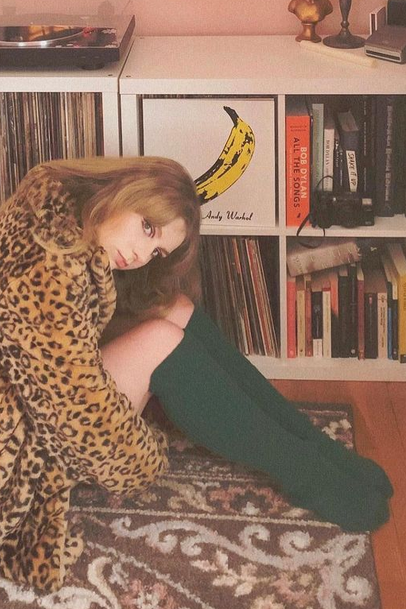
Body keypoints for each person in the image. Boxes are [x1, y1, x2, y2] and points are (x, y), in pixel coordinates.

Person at [0, 157, 392, 592]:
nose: (140, 255)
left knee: (175, 309)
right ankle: (307, 471)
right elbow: (82, 421)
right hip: (17, 443)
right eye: (147, 227)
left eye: (156, 251)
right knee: (161, 341)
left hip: (31, 390)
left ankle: (311, 444)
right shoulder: (48, 266)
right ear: (126, 190)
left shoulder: (64, 211)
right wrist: (145, 454)